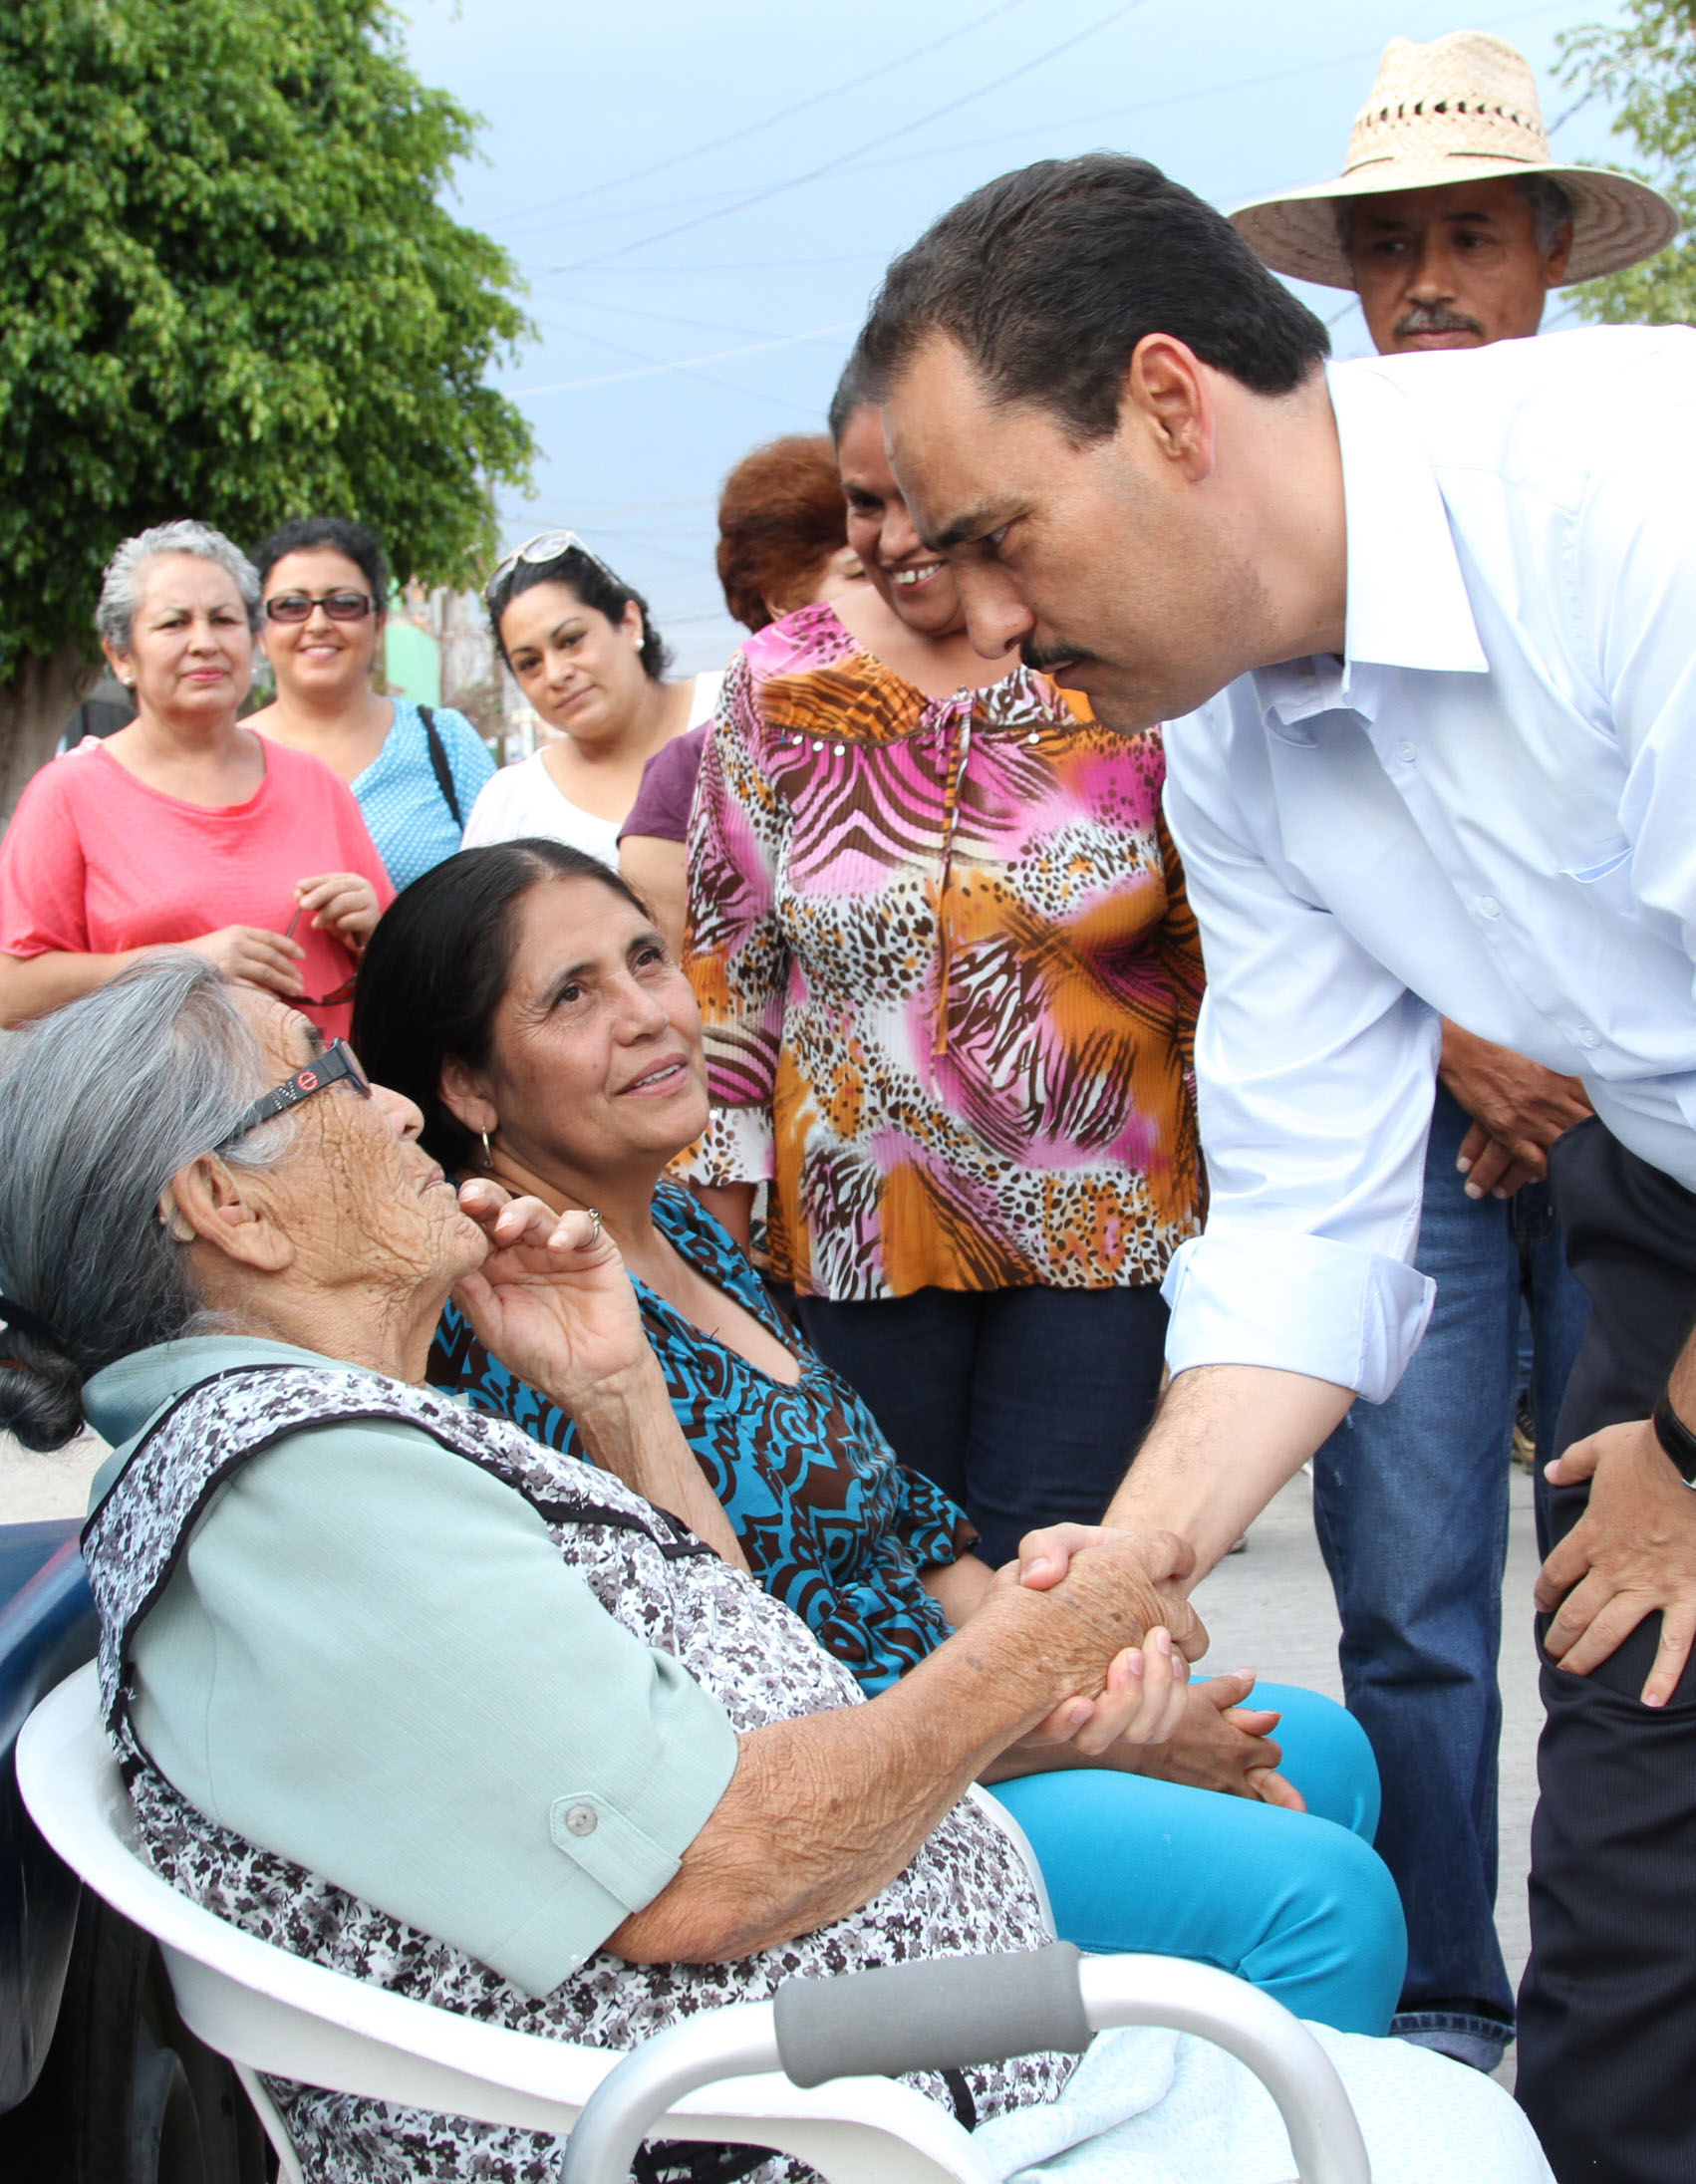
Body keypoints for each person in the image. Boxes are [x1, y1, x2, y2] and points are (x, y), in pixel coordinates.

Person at [0, 956, 1554, 2184]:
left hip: (850, 2077)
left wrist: (618, 1398)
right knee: (1448, 2123)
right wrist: (1040, 1647)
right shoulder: (296, 1487)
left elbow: (734, 1676)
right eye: (324, 1080)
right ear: (224, 1206)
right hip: (799, 2129)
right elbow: (704, 1870)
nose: (394, 1108)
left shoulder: (327, 1444)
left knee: (1413, 2086)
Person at [854, 149, 1695, 2180]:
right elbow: (1310, 1210)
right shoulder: (1224, 728)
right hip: (1665, 1209)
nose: (973, 621)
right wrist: (1126, 1571)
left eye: (989, 536)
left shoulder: (1630, 508)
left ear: (1165, 405)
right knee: (1630, 1924)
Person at [352, 836, 1406, 2033]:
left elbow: (913, 1534)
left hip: (958, 1720)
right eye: (571, 995)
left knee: (1325, 1751)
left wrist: (1093, 1691)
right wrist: (1062, 1739)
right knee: (1320, 1900)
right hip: (841, 1820)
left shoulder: (685, 1236)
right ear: (471, 1088)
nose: (648, 1013)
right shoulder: (520, 1323)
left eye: (646, 959)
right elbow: (728, 1714)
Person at [1213, 27, 1668, 2072]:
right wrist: (1485, 1051)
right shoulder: (1242, 658)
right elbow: (1311, 1082)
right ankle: (1456, 2016)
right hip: (1500, 1145)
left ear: (1550, 254)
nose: (1419, 285)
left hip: (1629, 1156)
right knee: (1465, 1624)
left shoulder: (1633, 497)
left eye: (1464, 235)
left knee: (1630, 1564)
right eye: (1379, 247)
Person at [681, 364, 1205, 1566]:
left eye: (924, 493)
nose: (898, 535)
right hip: (861, 1229)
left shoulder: (1111, 655)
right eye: (866, 501)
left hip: (1102, 1228)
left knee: (1065, 1588)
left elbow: (1208, 942)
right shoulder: (776, 685)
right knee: (888, 1579)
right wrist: (710, 1258)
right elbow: (731, 973)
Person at [0, 520, 389, 1038]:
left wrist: (375, 929)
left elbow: (399, 970)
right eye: (173, 624)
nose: (204, 643)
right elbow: (10, 991)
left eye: (224, 620)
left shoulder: (316, 783)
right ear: (121, 656)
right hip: (155, 1113)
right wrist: (182, 964)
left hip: (322, 1107)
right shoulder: (68, 793)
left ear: (253, 643)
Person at [619, 435, 867, 956]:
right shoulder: (692, 771)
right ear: (782, 598)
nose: (893, 590)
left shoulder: (969, 727)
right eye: (859, 574)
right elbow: (678, 981)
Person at [247, 515, 495, 892]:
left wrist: (385, 924)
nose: (317, 623)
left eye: (343, 603)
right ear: (261, 632)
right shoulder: (223, 756)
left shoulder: (445, 743)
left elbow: (510, 902)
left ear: (378, 625)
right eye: (291, 606)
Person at [464, 531, 720, 868]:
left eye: (571, 640)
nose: (555, 675)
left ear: (629, 624)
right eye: (529, 664)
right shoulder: (513, 804)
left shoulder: (735, 706)